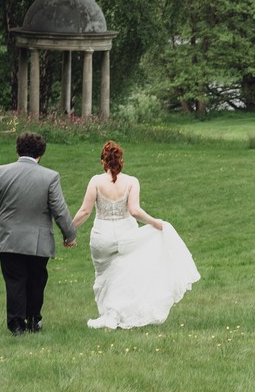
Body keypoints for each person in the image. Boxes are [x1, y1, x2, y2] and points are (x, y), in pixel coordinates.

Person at [71, 140, 199, 329]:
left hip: (102, 238)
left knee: (104, 275)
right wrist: (156, 223)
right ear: (121, 160)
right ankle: (115, 313)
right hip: (126, 235)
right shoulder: (131, 182)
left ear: (103, 162)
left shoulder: (96, 181)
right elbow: (135, 210)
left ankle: (111, 313)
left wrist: (69, 230)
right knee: (124, 274)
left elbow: (84, 211)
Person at [0, 131, 77, 335]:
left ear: (17, 150)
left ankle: (16, 323)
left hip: (9, 238)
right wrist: (69, 234)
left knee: (15, 280)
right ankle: (34, 319)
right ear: (40, 154)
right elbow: (59, 209)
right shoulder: (50, 176)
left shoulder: (0, 172)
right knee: (36, 279)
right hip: (39, 241)